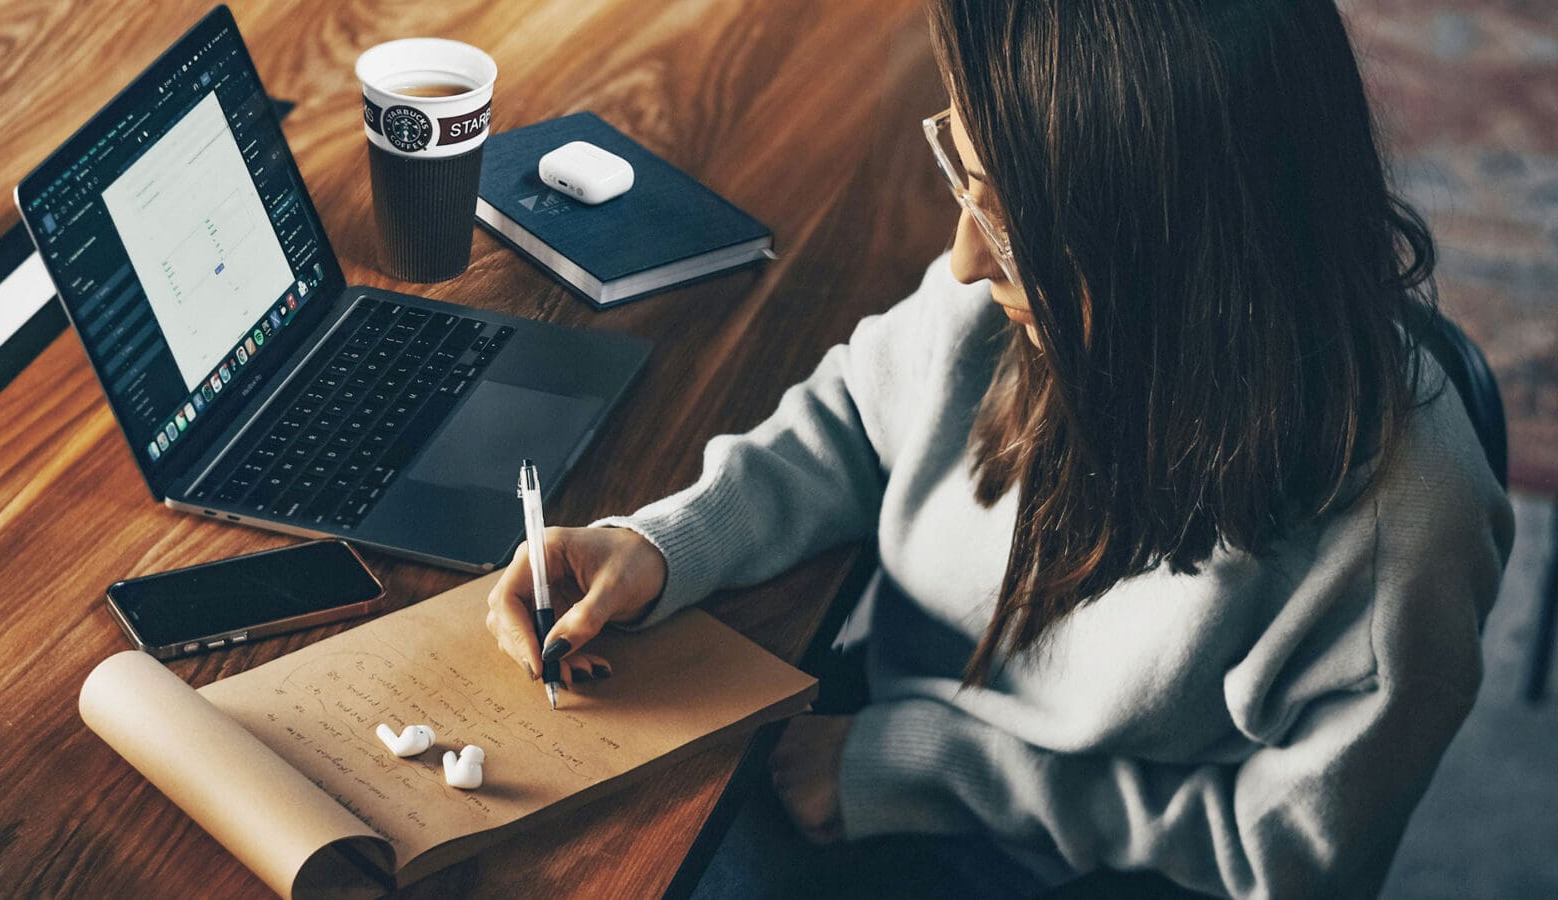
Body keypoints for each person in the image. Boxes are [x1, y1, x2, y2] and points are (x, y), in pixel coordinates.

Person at [485, 0, 1514, 896]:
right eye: (966, 177)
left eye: (1009, 220)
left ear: (1176, 251)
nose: (967, 259)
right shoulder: (1034, 289)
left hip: (1076, 865)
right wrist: (666, 542)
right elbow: (857, 412)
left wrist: (924, 766)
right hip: (862, 745)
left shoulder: (1402, 536)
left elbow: (1291, 858)